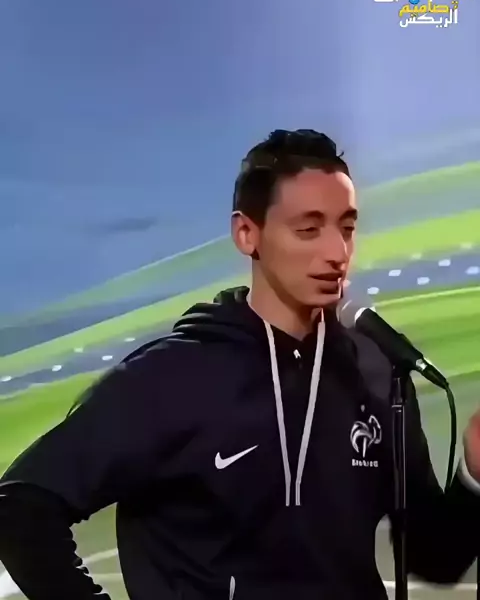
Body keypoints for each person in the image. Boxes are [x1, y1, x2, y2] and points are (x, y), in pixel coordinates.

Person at [0, 129, 480, 600]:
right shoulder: (176, 375)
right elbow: (20, 507)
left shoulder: (377, 371)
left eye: (347, 228)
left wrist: (473, 477)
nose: (336, 252)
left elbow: (434, 559)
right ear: (247, 233)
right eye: (308, 229)